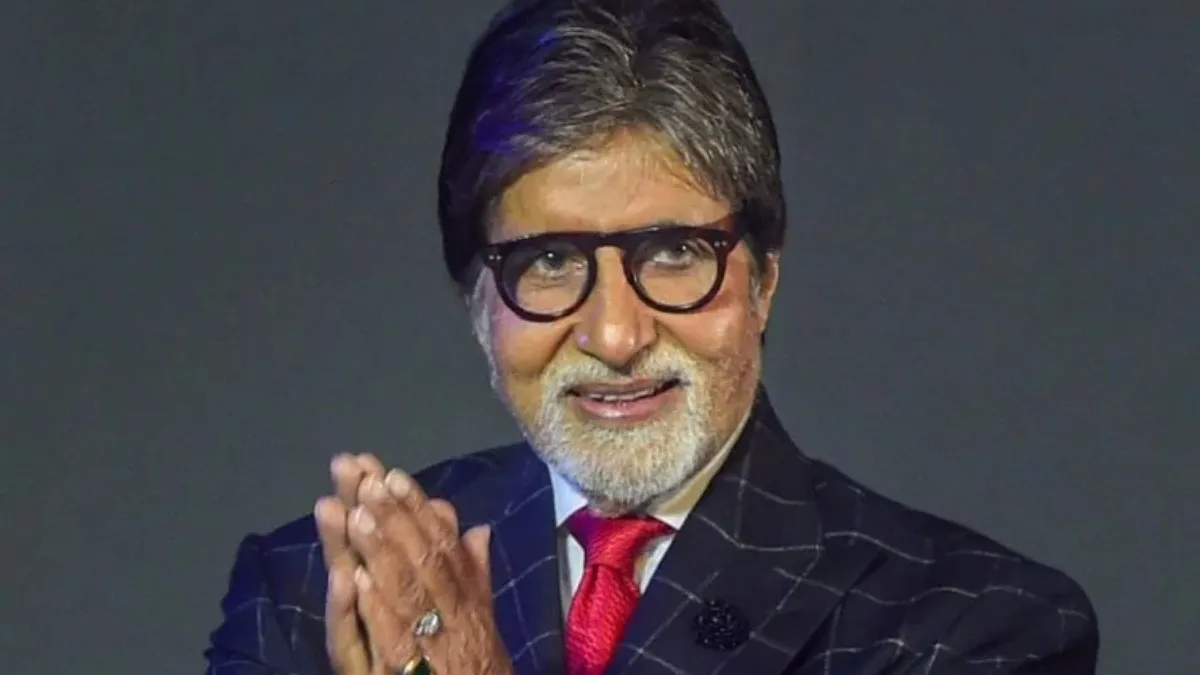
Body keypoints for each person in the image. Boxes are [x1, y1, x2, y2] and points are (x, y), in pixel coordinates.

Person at [204, 1, 1099, 673]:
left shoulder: (969, 625)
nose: (615, 333)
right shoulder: (312, 598)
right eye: (550, 261)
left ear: (764, 278)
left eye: (673, 253)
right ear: (477, 301)